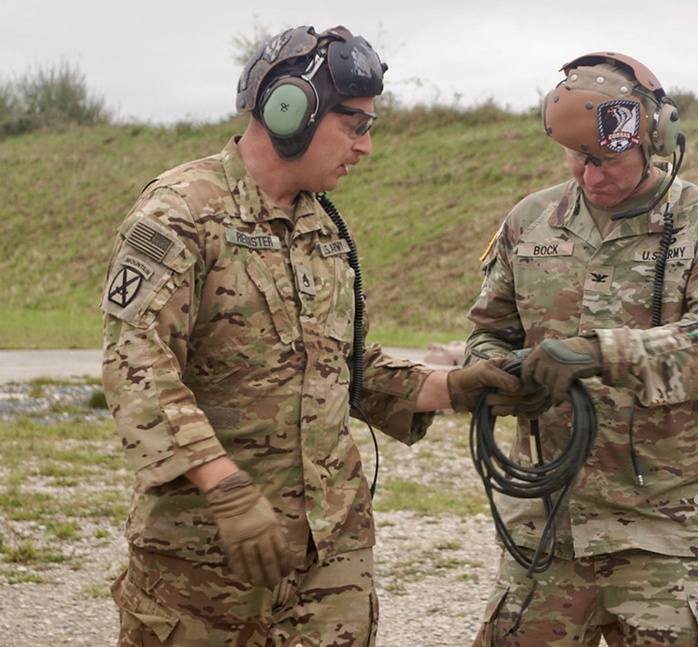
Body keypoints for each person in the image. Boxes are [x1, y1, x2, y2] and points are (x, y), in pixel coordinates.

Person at [100, 25, 519, 646]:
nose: (366, 147)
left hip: (330, 554)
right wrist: (226, 485)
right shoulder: (180, 212)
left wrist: (453, 388)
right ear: (289, 110)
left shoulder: (322, 227)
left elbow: (341, 368)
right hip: (207, 555)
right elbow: (136, 360)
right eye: (357, 125)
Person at [465, 51, 698, 646]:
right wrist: (497, 375)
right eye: (577, 158)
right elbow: (488, 328)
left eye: (608, 159)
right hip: (548, 529)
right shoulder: (530, 222)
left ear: (656, 140)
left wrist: (596, 354)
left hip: (665, 530)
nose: (590, 175)